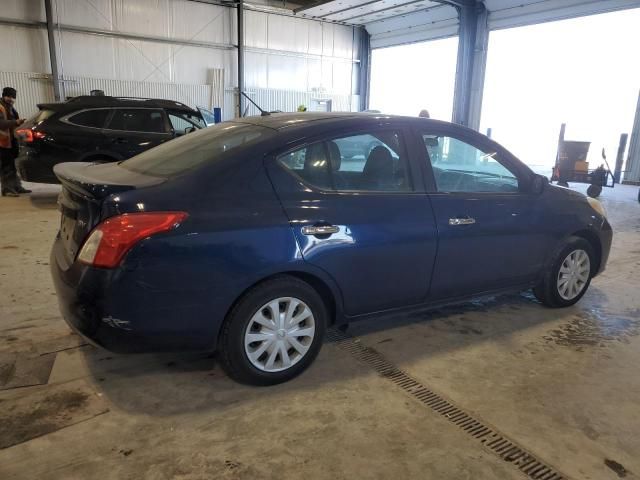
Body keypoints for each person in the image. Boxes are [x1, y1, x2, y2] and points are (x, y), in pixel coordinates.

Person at [0, 87, 31, 197]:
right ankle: (7, 189)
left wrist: (20, 123)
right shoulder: (1, 107)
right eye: (9, 96)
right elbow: (1, 123)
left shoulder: (11, 108)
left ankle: (17, 187)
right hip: (2, 143)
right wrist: (15, 122)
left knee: (13, 166)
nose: (11, 99)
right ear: (4, 95)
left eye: (13, 97)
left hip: (11, 141)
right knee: (6, 166)